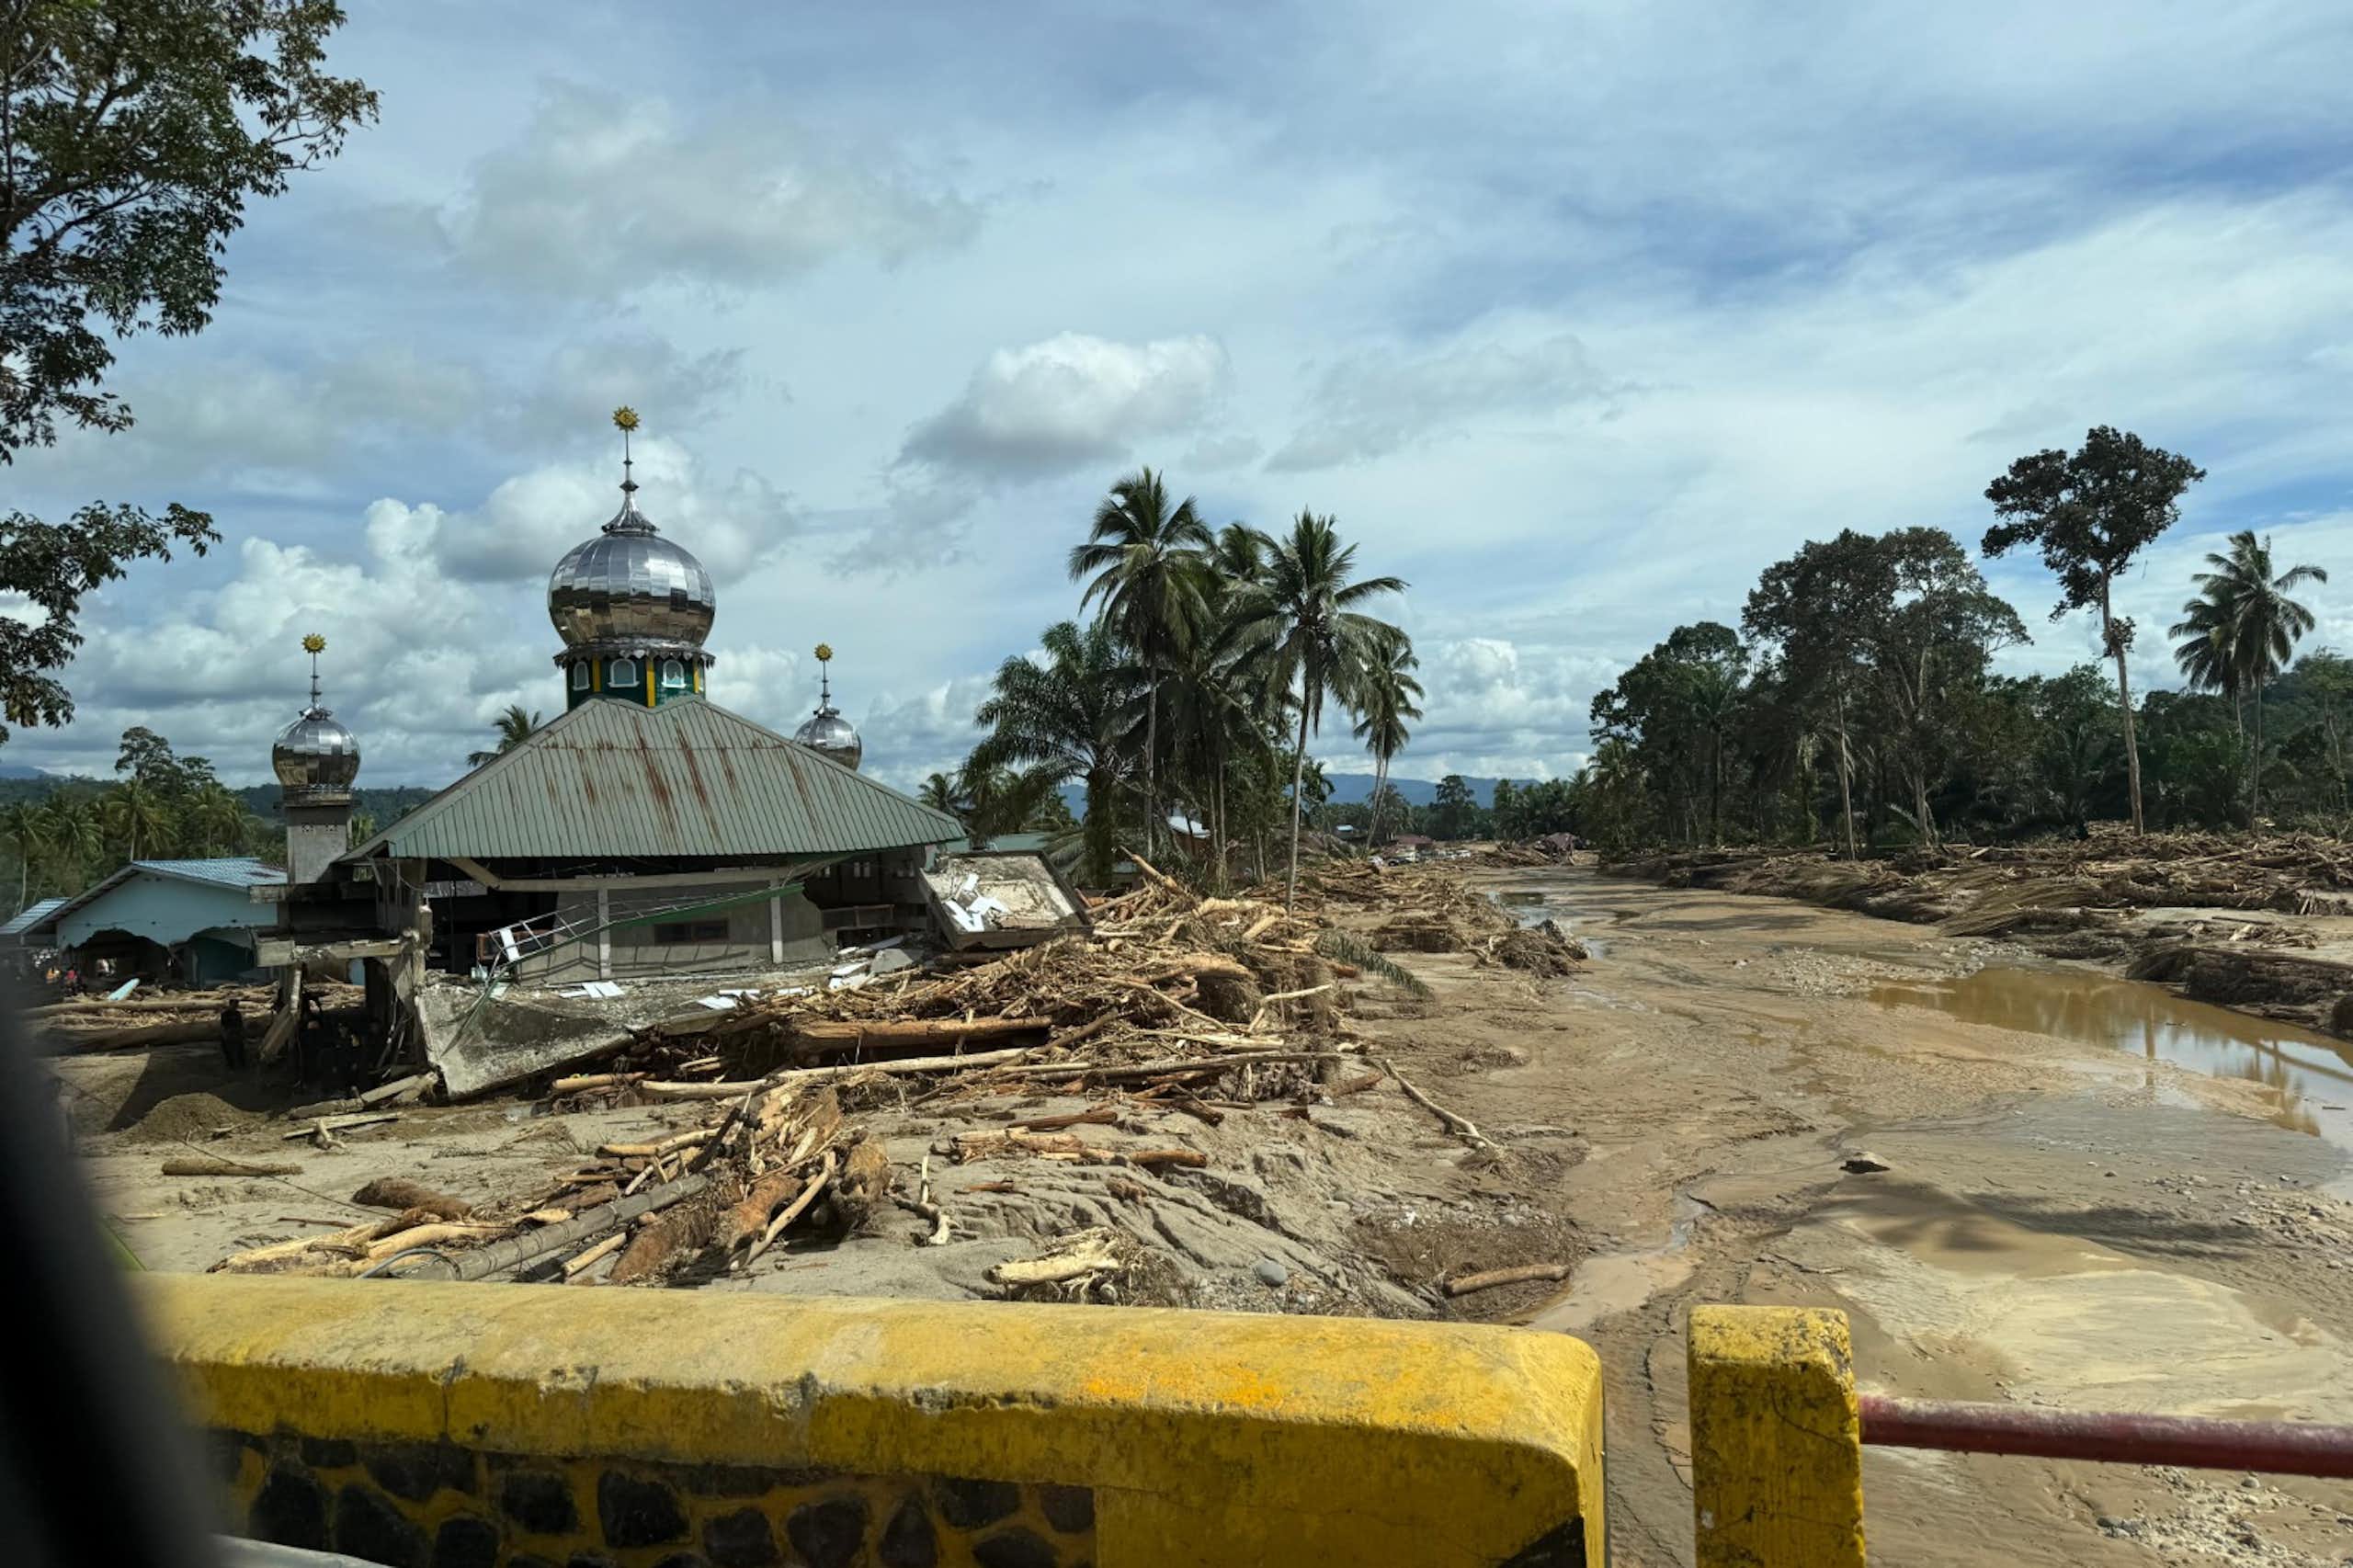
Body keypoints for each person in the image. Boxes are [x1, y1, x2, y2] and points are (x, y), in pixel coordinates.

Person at [218, 1001, 247, 1072]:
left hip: (236, 1032)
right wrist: (225, 1034)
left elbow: (240, 1024)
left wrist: (242, 1033)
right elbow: (224, 1026)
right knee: (227, 1049)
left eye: (236, 1005)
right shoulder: (225, 1014)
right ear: (230, 1005)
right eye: (234, 1005)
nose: (235, 1007)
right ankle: (231, 1064)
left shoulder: (238, 1013)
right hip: (229, 1032)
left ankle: (242, 1063)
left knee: (240, 1048)